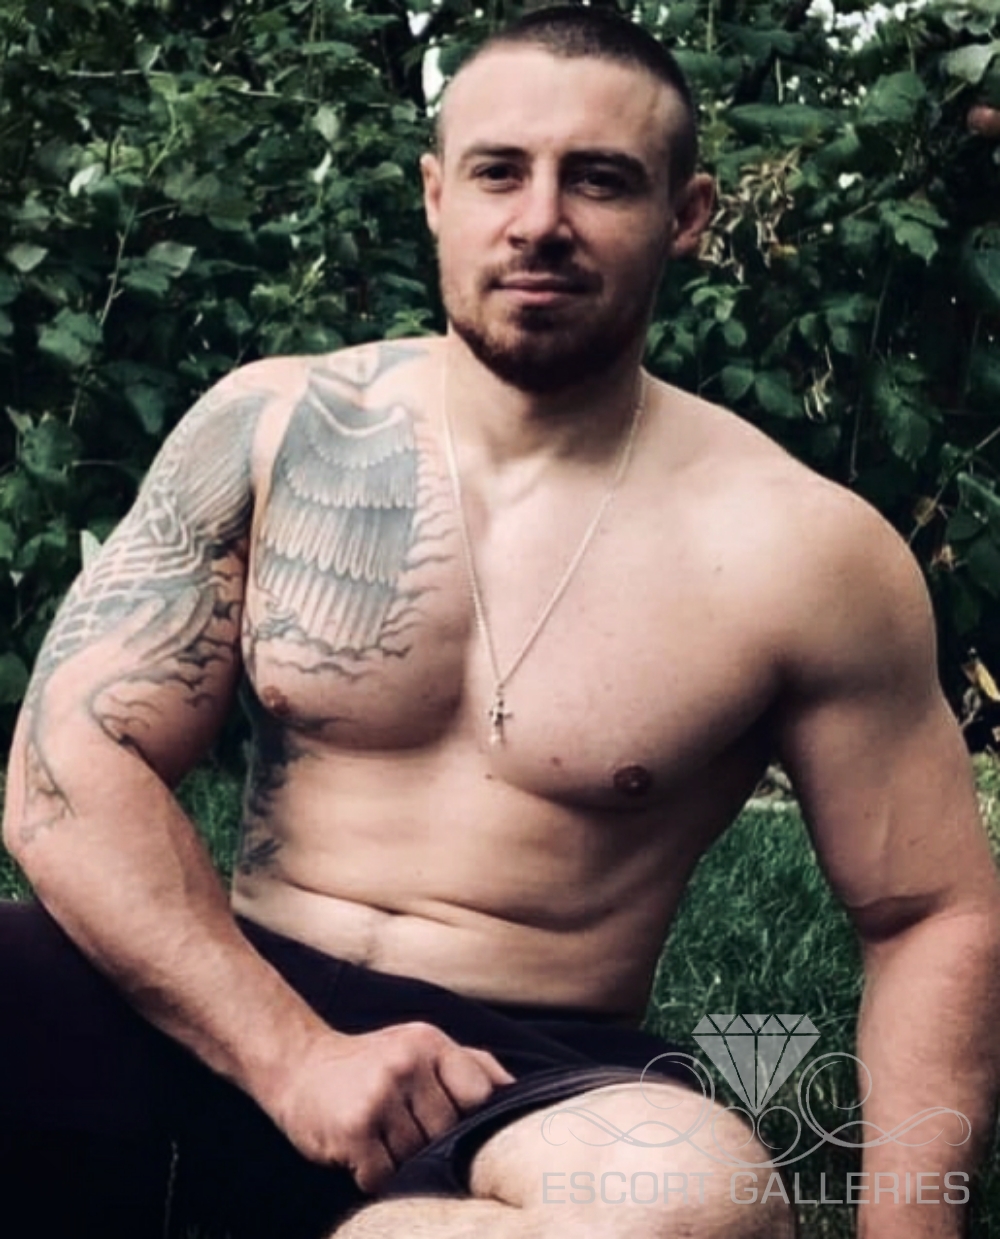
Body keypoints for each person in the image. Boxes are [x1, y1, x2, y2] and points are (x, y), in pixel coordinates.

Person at [2, 6, 998, 1238]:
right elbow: (67, 767)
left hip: (522, 1073)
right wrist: (292, 1056)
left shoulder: (802, 548)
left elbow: (927, 914)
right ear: (436, 196)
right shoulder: (274, 429)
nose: (539, 221)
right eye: (497, 172)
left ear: (686, 216)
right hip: (212, 992)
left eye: (600, 179)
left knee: (693, 1206)